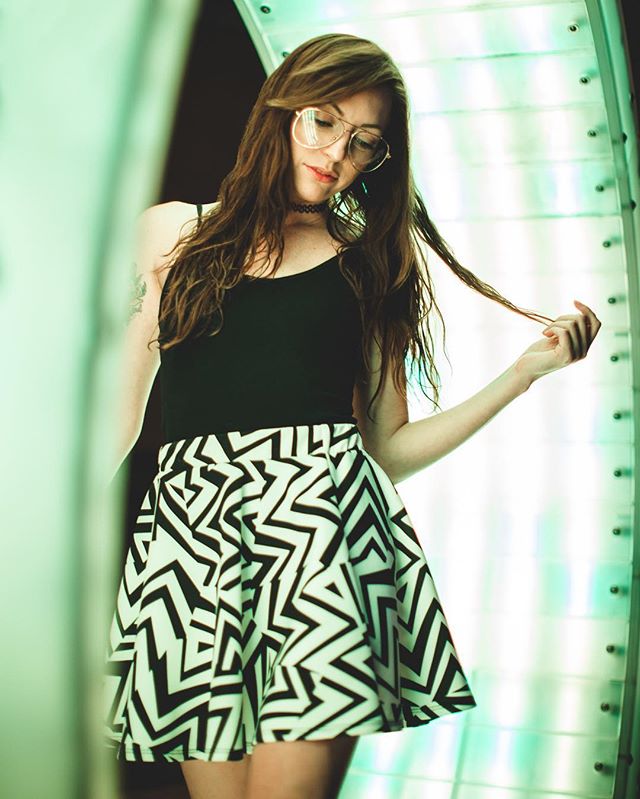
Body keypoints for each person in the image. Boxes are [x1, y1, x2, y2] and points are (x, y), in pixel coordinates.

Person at [103, 32, 601, 799]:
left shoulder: (369, 260)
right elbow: (119, 415)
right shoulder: (170, 233)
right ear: (283, 109)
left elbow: (388, 446)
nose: (337, 153)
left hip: (323, 551)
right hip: (193, 549)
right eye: (324, 121)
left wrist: (520, 376)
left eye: (365, 141)